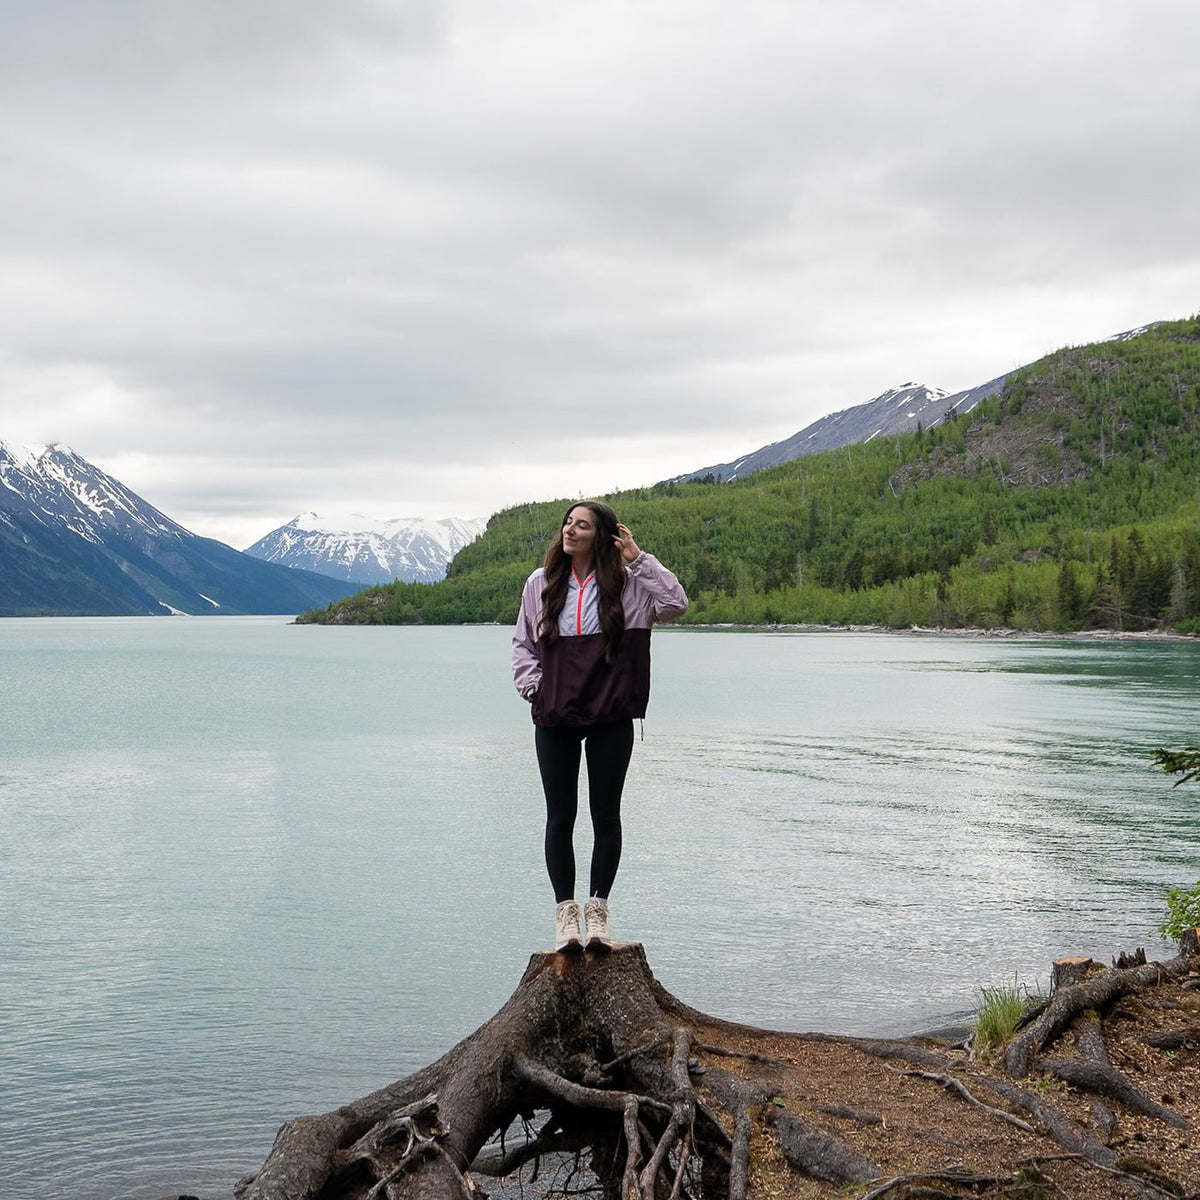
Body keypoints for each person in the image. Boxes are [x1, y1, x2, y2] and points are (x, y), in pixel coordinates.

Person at [511, 500, 689, 952]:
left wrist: (639, 558)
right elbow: (523, 646)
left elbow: (676, 603)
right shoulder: (541, 583)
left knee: (606, 816)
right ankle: (566, 918)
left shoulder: (631, 586)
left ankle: (598, 914)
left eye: (582, 525)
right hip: (557, 716)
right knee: (560, 817)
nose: (570, 530)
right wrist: (538, 689)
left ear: (603, 535)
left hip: (611, 715)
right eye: (568, 523)